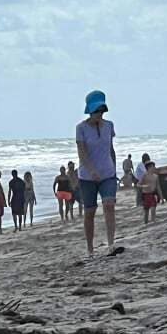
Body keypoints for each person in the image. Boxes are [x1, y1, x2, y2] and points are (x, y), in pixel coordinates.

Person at [76, 90, 118, 257]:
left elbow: (110, 149)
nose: (99, 114)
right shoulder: (81, 128)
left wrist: (114, 169)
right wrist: (92, 170)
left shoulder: (109, 126)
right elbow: (82, 152)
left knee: (109, 205)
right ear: (89, 111)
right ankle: (90, 249)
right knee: (90, 212)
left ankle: (111, 244)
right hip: (87, 177)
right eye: (96, 111)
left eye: (101, 111)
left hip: (108, 174)